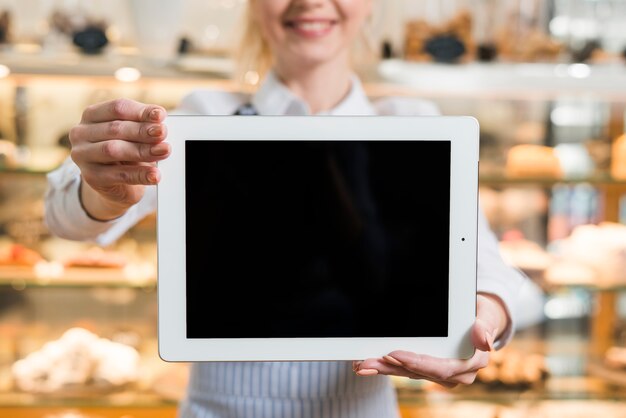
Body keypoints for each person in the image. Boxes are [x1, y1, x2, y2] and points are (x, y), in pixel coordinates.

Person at [44, 0, 530, 416]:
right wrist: (106, 185)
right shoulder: (207, 118)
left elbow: (496, 277)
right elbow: (64, 217)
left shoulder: (411, 127)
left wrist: (479, 325)